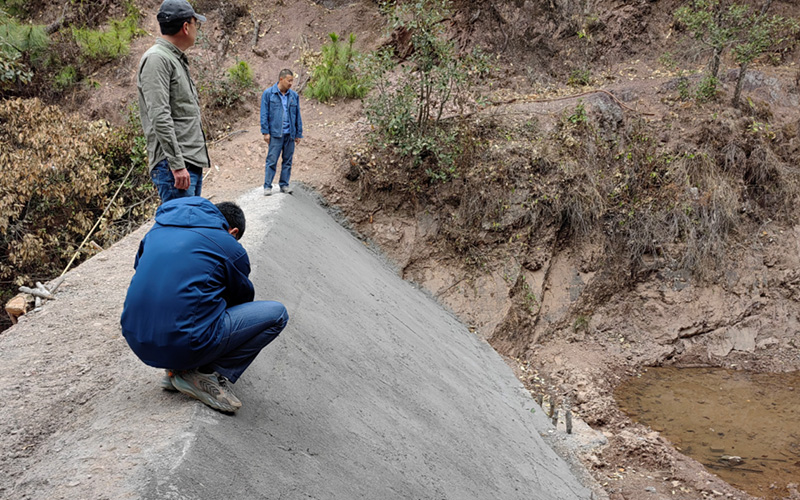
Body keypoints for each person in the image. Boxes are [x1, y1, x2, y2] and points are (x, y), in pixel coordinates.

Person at [120, 198, 289, 413]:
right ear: (233, 232)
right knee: (277, 315)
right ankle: (201, 373)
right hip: (183, 344)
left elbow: (142, 270)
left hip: (137, 338)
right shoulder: (228, 246)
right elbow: (241, 300)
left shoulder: (156, 232)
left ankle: (175, 369)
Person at [137, 0, 210, 204]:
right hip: (175, 166)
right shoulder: (157, 59)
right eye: (196, 23)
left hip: (186, 162)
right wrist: (177, 165)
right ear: (186, 27)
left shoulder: (173, 58)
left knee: (190, 228)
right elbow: (159, 115)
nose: (198, 29)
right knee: (180, 231)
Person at [260, 68, 303, 196]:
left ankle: (284, 185)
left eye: (292, 81)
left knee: (287, 160)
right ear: (281, 79)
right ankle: (267, 186)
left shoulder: (294, 96)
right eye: (289, 81)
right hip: (275, 133)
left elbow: (297, 115)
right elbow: (264, 114)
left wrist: (298, 133)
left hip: (289, 133)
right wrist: (265, 132)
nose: (291, 83)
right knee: (272, 160)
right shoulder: (268, 94)